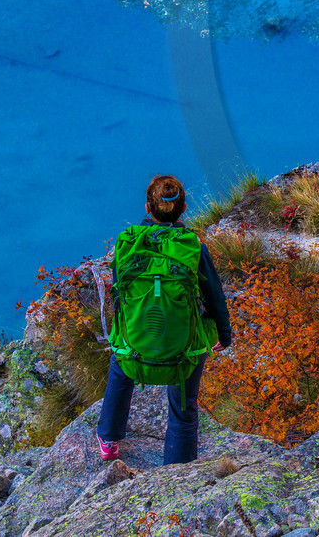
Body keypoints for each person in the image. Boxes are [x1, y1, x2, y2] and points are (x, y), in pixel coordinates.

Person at [97, 175, 232, 465]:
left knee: (120, 364)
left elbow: (119, 296)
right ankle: (177, 470)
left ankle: (108, 439)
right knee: (185, 404)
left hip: (136, 348)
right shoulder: (192, 247)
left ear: (148, 208)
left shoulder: (128, 244)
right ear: (183, 209)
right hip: (182, 352)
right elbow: (214, 296)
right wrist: (224, 335)